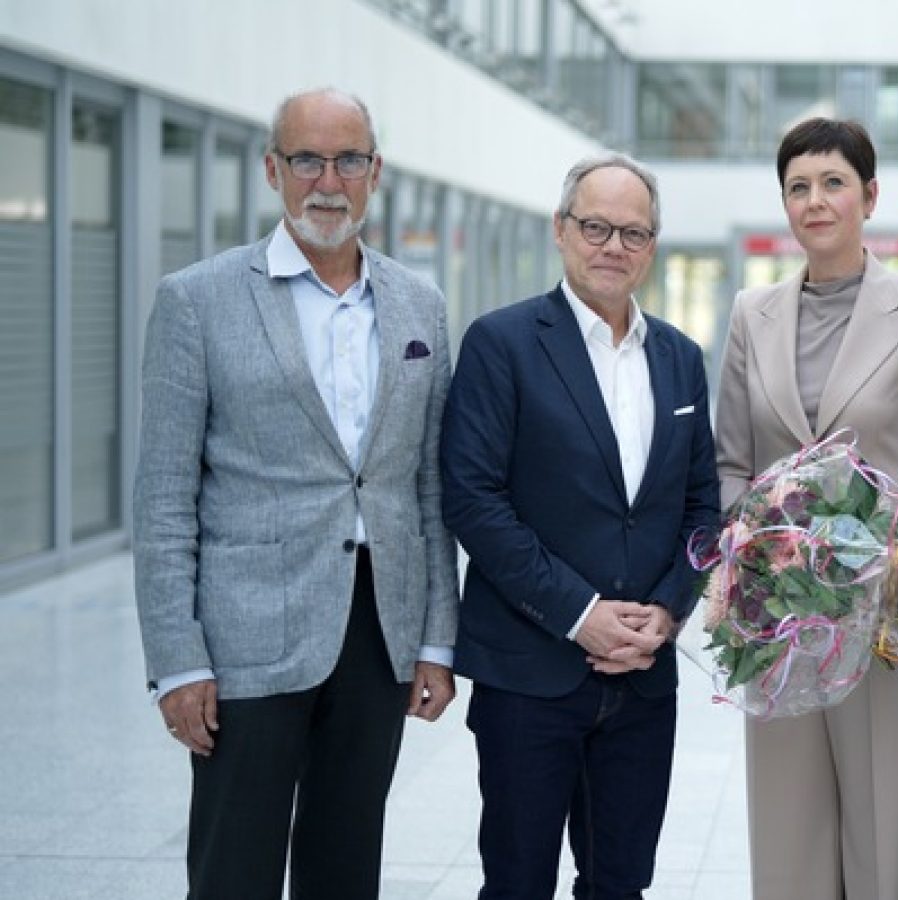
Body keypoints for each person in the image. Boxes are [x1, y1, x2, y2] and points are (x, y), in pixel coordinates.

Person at [132, 88, 459, 900]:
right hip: (246, 642)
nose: (328, 180)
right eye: (307, 159)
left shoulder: (420, 302)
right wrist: (177, 662)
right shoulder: (197, 300)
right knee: (233, 870)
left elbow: (427, 484)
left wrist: (437, 641)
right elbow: (164, 495)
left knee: (346, 867)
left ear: (376, 173)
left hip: (377, 632)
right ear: (272, 169)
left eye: (349, 159)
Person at [440, 151, 719, 900]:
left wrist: (666, 609)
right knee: (518, 882)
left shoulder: (681, 359)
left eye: (633, 233)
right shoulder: (502, 344)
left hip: (644, 680)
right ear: (561, 230)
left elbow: (701, 507)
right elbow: (473, 498)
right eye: (596, 226)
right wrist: (580, 615)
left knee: (621, 884)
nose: (614, 246)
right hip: (530, 675)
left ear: (652, 246)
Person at [714, 117, 898, 900]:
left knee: (889, 831)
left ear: (869, 195)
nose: (815, 201)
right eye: (798, 186)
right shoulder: (750, 315)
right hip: (784, 622)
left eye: (832, 183)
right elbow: (733, 463)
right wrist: (759, 555)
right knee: (791, 835)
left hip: (888, 617)